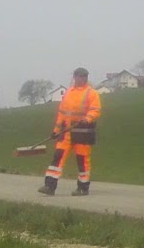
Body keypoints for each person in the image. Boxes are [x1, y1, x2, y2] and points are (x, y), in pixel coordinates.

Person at [38, 67, 101, 196]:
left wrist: (87, 118)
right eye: (79, 76)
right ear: (75, 77)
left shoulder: (91, 93)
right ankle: (49, 186)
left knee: (82, 161)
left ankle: (83, 188)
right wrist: (56, 130)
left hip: (83, 132)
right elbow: (61, 113)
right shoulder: (68, 92)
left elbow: (95, 110)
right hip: (65, 132)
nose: (81, 78)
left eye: (83, 76)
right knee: (57, 157)